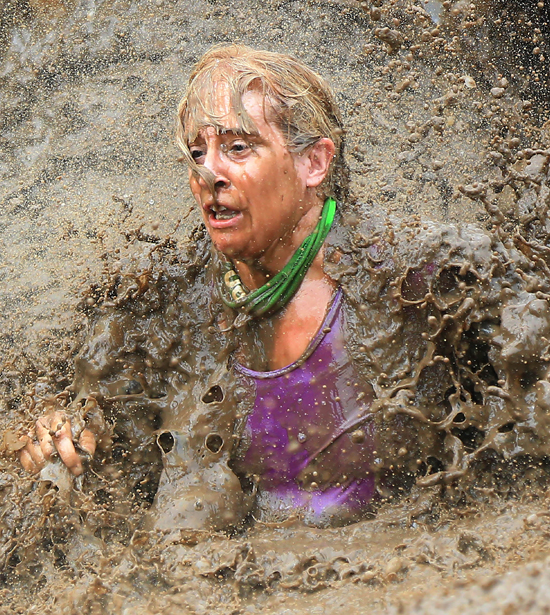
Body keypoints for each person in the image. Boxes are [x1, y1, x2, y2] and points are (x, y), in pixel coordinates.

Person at [19, 44, 394, 526]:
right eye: (198, 152)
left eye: (238, 147)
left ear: (314, 163)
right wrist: (63, 435)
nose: (209, 172)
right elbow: (103, 428)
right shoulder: (172, 308)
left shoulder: (400, 285)